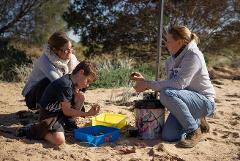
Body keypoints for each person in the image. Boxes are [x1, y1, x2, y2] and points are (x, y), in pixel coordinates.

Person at [130, 26, 215, 148]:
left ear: (179, 42)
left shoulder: (193, 55)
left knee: (166, 93)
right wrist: (145, 82)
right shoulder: (170, 61)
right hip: (184, 102)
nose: (166, 45)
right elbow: (169, 84)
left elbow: (178, 84)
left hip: (204, 102)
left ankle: (193, 130)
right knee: (168, 136)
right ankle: (196, 120)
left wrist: (148, 84)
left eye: (168, 41)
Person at [17, 60, 100, 145]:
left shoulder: (74, 82)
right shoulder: (65, 84)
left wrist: (79, 99)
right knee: (59, 140)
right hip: (49, 114)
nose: (87, 85)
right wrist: (87, 113)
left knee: (80, 97)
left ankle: (69, 125)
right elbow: (67, 111)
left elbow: (68, 108)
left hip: (60, 111)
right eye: (88, 81)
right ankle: (31, 129)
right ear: (81, 73)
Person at [22, 31, 82, 132]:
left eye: (71, 48)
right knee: (49, 82)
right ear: (55, 50)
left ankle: (69, 120)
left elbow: (78, 75)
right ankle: (48, 115)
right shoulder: (44, 61)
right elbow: (58, 82)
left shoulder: (71, 58)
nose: (70, 52)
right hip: (34, 96)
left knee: (80, 82)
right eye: (66, 50)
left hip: (59, 89)